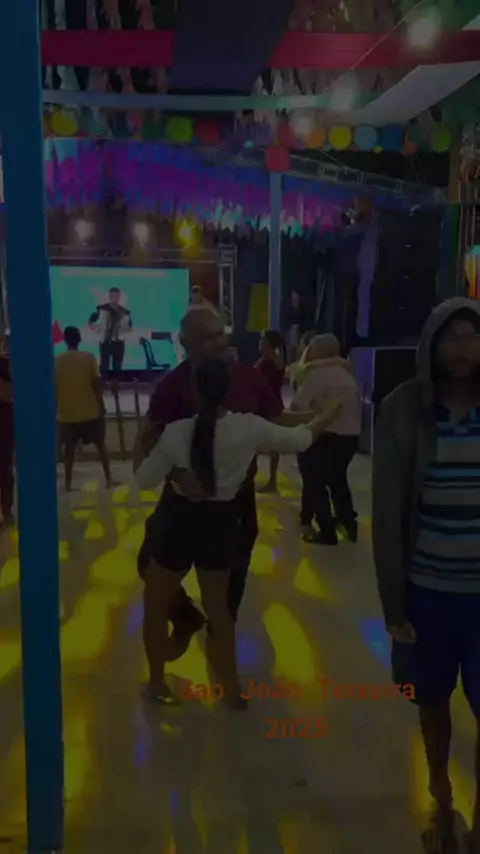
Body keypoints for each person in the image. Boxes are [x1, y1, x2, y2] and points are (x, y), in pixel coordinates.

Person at [135, 356, 337, 705]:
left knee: (155, 604)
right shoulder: (249, 427)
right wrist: (326, 416)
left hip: (179, 522)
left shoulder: (176, 432)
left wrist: (149, 446)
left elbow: (142, 481)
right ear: (228, 389)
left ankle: (156, 685)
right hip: (222, 521)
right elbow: (301, 439)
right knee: (219, 609)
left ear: (194, 390)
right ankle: (231, 689)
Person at [135, 308, 318, 655]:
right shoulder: (173, 386)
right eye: (211, 337)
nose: (222, 341)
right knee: (149, 561)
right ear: (186, 343)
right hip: (182, 501)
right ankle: (185, 616)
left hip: (236, 497)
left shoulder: (248, 376)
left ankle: (220, 642)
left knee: (232, 575)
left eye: (222, 332)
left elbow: (276, 416)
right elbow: (150, 435)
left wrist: (316, 416)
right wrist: (178, 475)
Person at [372, 298, 480, 854]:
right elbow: (387, 511)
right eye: (450, 336)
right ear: (431, 344)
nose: (462, 348)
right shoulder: (403, 408)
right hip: (428, 593)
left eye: (472, 336)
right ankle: (440, 796)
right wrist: (394, 603)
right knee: (431, 701)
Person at [293, 334, 360, 544]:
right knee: (338, 479)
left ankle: (326, 531)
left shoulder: (316, 374)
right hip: (350, 437)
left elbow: (296, 407)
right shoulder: (347, 372)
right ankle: (348, 523)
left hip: (324, 436)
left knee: (315, 484)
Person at [56, 326, 113, 491]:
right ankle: (109, 478)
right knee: (101, 446)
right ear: (79, 339)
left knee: (69, 450)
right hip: (90, 411)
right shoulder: (89, 358)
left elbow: (54, 388)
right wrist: (102, 406)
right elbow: (96, 385)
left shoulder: (57, 361)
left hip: (67, 413)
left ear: (65, 340)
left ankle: (68, 483)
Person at [256, 329, 287, 492]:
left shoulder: (267, 362)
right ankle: (272, 480)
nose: (259, 342)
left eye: (262, 339)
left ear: (268, 343)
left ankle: (270, 482)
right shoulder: (275, 359)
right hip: (274, 403)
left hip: (265, 405)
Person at [88, 287, 132, 379]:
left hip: (119, 342)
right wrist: (96, 330)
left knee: (117, 367)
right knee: (104, 366)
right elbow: (91, 321)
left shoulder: (125, 312)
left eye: (117, 296)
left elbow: (129, 327)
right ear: (109, 296)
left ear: (119, 297)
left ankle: (117, 385)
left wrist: (124, 329)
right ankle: (102, 385)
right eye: (113, 296)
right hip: (105, 341)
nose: (115, 298)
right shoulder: (101, 309)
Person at [0, 337, 15, 527]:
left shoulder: (5, 366)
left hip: (3, 420)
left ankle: (6, 510)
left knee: (4, 468)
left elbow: (7, 394)